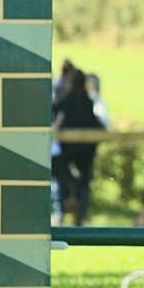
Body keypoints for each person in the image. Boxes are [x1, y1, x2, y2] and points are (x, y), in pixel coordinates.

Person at [52, 69, 103, 224]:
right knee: (84, 183)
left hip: (69, 150)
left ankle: (66, 200)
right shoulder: (89, 102)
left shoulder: (66, 102)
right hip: (87, 150)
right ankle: (80, 213)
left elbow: (57, 125)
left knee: (60, 170)